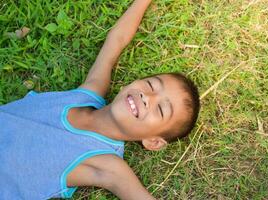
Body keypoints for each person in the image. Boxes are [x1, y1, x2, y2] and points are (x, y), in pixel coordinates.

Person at [0, 0, 200, 199]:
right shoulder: (88, 93)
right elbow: (117, 40)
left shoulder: (106, 163)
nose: (147, 97)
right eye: (150, 85)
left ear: (153, 142)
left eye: (161, 110)